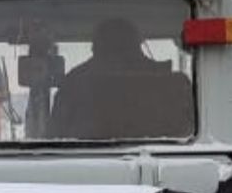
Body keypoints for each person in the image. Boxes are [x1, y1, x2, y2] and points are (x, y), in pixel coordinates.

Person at [46, 17, 194, 140]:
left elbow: (52, 139)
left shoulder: (72, 85)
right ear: (138, 45)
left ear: (95, 48)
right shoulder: (174, 85)